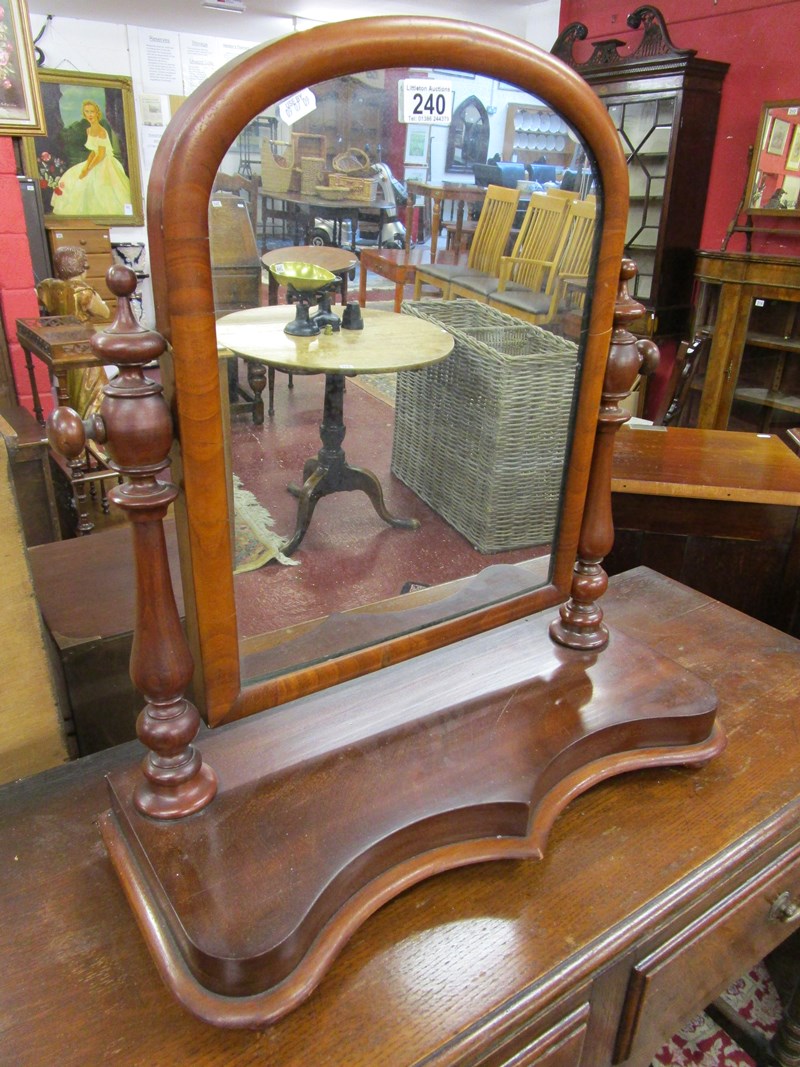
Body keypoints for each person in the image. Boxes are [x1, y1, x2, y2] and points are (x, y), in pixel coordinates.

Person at [52, 100, 131, 217]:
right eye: (87, 112)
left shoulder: (101, 131)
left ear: (97, 113)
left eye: (92, 112)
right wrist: (86, 166)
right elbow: (94, 152)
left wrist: (88, 169)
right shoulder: (89, 130)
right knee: (75, 177)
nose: (90, 115)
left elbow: (101, 154)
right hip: (95, 160)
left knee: (101, 187)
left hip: (105, 162)